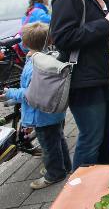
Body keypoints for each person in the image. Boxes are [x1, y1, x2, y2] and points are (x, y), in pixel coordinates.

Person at [51, 0, 109, 170]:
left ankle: (103, 188)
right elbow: (62, 38)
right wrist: (105, 23)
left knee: (105, 139)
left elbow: (108, 35)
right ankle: (76, 193)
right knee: (90, 139)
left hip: (105, 77)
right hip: (83, 81)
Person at [1, 22, 72, 189]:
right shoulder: (50, 57)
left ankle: (55, 173)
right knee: (58, 140)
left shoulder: (33, 65)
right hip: (53, 112)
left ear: (25, 44)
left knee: (48, 146)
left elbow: (30, 93)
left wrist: (10, 94)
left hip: (40, 114)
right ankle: (65, 166)